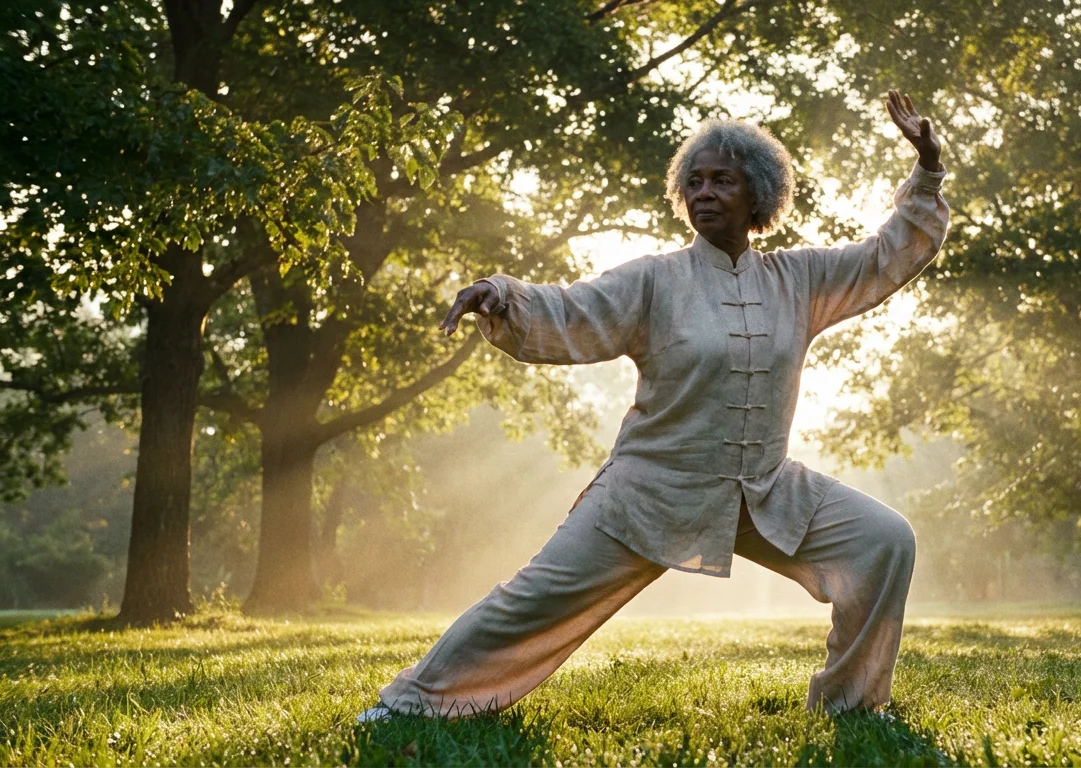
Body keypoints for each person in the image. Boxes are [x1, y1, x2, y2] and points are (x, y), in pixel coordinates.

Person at [358, 89, 949, 723]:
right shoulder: (655, 279)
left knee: (883, 541)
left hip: (764, 492)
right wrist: (502, 295)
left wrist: (927, 169)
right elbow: (574, 307)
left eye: (723, 180)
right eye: (694, 181)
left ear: (759, 195)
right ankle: (410, 704)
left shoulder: (798, 280)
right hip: (650, 492)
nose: (705, 192)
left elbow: (883, 258)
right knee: (530, 602)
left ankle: (852, 706)